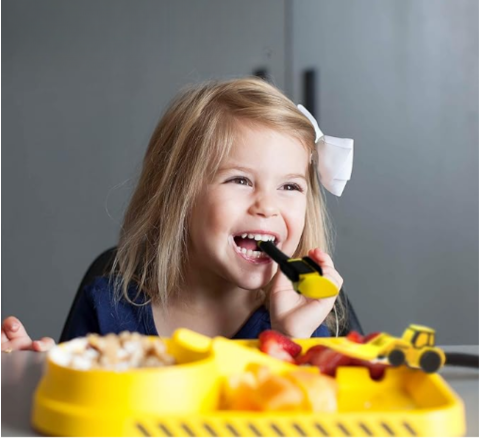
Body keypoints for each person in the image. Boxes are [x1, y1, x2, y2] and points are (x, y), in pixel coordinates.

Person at [2, 77, 354, 353]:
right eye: (240, 180)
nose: (267, 206)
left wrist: (290, 338)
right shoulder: (107, 306)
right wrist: (29, 380)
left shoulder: (304, 316)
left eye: (290, 187)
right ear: (178, 196)